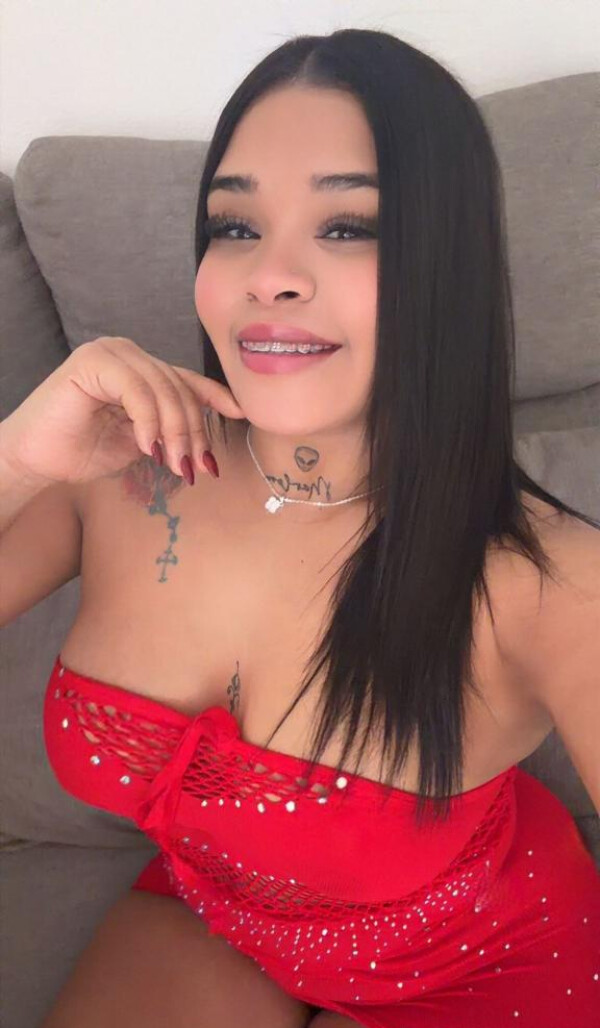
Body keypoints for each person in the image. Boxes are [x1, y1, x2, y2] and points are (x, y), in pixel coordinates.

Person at [1, 27, 599, 1028]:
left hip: (481, 965)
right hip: (216, 917)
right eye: (235, 226)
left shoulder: (555, 582)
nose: (267, 275)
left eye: (349, 226)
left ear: (446, 263)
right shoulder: (112, 465)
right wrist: (16, 455)